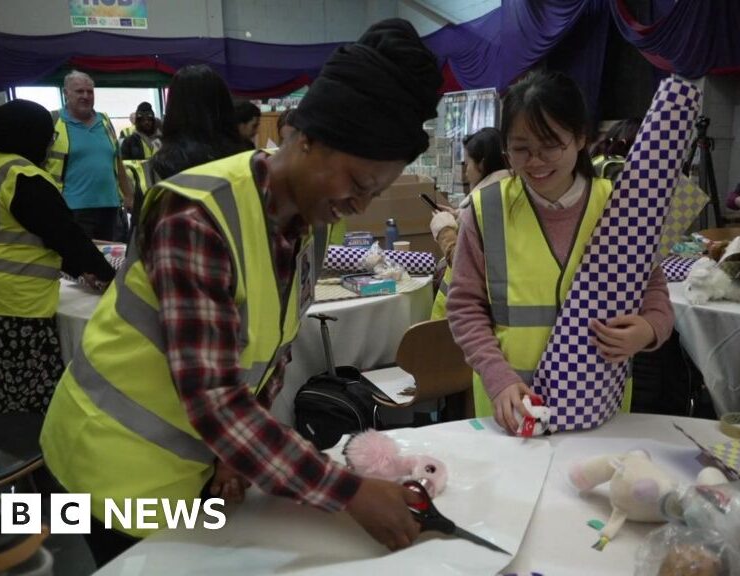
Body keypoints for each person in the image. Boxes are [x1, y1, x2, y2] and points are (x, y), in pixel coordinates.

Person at [39, 18, 442, 566]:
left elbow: (268, 350)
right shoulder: (198, 215)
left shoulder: (308, 223)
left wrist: (236, 455)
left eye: (375, 191)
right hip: (110, 471)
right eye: (357, 182)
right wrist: (348, 492)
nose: (359, 205)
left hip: (185, 471)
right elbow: (212, 398)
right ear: (306, 136)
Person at [445, 70, 674, 434]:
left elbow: (655, 293)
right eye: (520, 148)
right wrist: (497, 376)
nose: (535, 161)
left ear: (580, 137)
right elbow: (463, 306)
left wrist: (649, 329)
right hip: (511, 407)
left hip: (601, 405)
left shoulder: (619, 206)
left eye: (550, 145)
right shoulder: (486, 209)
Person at [0, 100, 115, 419]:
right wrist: (107, 275)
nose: (51, 145)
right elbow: (65, 234)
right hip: (12, 309)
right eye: (48, 136)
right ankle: (38, 465)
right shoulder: (23, 176)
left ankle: (12, 462)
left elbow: (23, 237)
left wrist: (81, 270)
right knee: (32, 406)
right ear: (29, 135)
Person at [125, 65, 252, 230]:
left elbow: (140, 237)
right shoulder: (246, 164)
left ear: (172, 110)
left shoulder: (155, 170)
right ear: (225, 107)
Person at [429, 127, 509, 319]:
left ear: (481, 163)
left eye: (468, 163)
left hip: (466, 316)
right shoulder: (507, 193)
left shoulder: (485, 203)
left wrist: (445, 231)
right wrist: (460, 216)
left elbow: (464, 263)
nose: (466, 171)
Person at [45, 70, 133, 241]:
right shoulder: (53, 121)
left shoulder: (105, 121)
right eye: (79, 91)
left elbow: (117, 163)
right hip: (72, 210)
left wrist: (129, 196)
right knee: (79, 265)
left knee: (111, 263)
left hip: (111, 209)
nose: (86, 96)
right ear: (66, 93)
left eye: (90, 91)